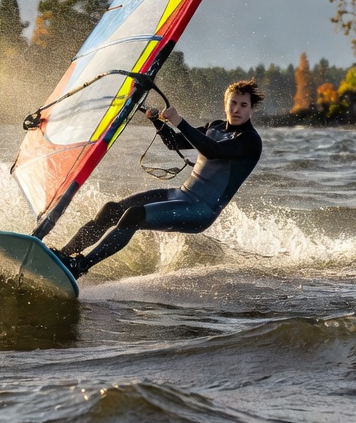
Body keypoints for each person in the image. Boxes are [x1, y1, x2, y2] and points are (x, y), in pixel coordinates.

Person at [53, 79, 264, 278]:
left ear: (251, 109)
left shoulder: (250, 140)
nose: (237, 109)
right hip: (180, 194)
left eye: (243, 105)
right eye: (233, 103)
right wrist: (158, 122)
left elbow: (212, 150)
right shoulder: (215, 127)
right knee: (112, 210)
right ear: (225, 103)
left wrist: (179, 121)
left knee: (134, 216)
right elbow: (176, 143)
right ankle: (63, 256)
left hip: (201, 210)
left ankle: (79, 267)